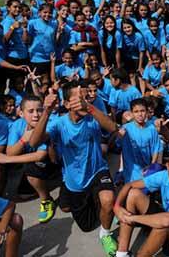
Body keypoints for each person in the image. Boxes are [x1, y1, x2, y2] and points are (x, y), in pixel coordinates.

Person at [29, 81, 119, 256]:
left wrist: (90, 108)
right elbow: (33, 142)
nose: (84, 101)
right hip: (74, 179)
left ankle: (105, 234)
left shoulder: (93, 117)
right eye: (79, 99)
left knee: (108, 200)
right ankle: (92, 203)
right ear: (67, 104)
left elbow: (113, 127)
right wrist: (46, 111)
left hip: (98, 171)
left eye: (86, 97)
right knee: (82, 222)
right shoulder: (58, 123)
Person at [114, 149, 169, 257]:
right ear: (167, 166)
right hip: (168, 218)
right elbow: (129, 185)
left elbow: (168, 220)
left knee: (166, 223)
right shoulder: (164, 175)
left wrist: (131, 218)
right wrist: (117, 207)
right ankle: (122, 254)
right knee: (133, 194)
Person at [0, 95, 58, 224]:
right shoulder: (17, 125)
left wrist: (7, 159)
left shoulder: (48, 124)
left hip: (51, 161)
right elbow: (10, 151)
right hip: (27, 161)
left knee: (32, 170)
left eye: (39, 110)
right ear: (21, 113)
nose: (36, 115)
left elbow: (40, 155)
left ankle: (46, 199)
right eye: (31, 111)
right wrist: (23, 140)